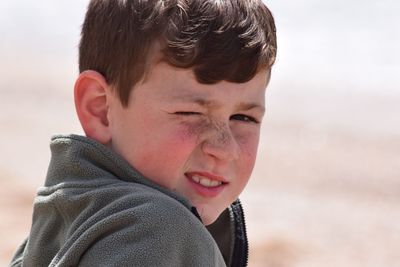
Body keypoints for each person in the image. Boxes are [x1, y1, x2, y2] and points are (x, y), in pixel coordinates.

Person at [10, 0, 277, 266]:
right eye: (190, 113)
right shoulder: (160, 231)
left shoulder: (63, 219)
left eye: (244, 118)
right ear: (101, 108)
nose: (224, 148)